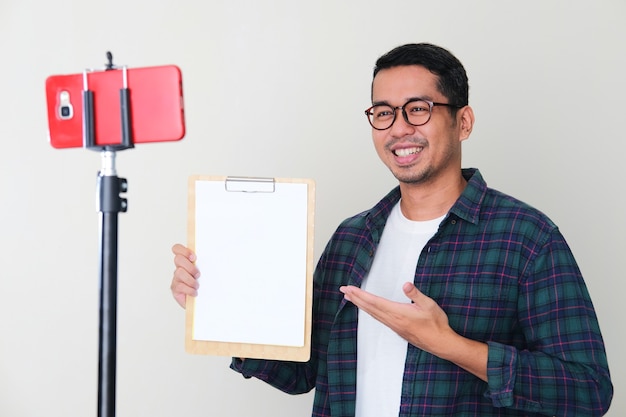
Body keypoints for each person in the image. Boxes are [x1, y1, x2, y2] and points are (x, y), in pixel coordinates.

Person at [171, 43, 613, 416]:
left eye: (417, 109)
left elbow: (588, 390)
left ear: (463, 122)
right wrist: (217, 302)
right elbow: (303, 372)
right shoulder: (351, 239)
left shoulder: (526, 237)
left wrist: (451, 345)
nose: (399, 128)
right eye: (383, 112)